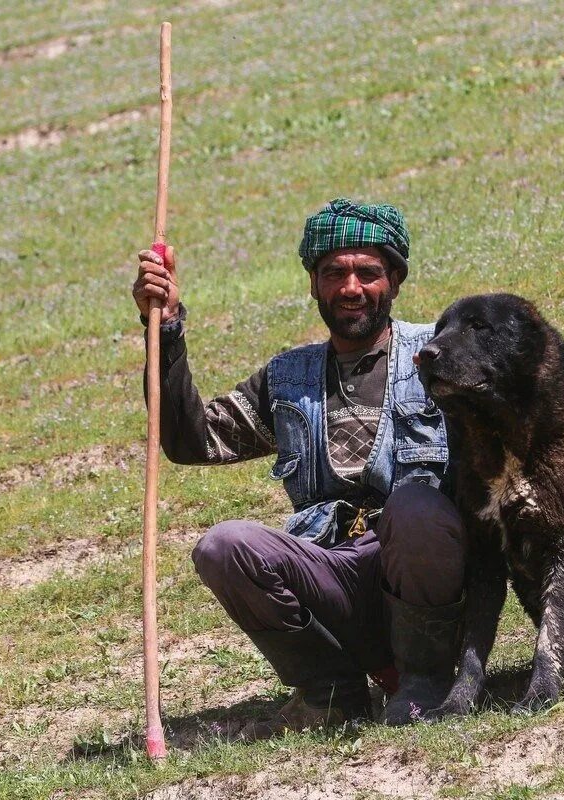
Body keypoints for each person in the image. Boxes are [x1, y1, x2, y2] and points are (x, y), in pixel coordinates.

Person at [132, 198, 465, 739]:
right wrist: (166, 328)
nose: (351, 287)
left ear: (396, 281)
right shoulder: (287, 380)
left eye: (368, 272)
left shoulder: (442, 356)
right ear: (314, 284)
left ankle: (423, 679)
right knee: (225, 546)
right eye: (334, 273)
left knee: (416, 506)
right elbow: (192, 440)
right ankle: (332, 691)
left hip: (422, 571)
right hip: (331, 575)